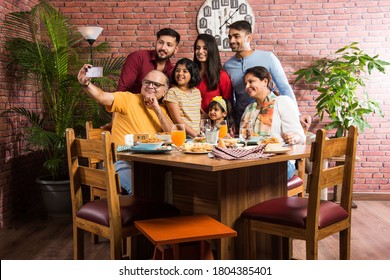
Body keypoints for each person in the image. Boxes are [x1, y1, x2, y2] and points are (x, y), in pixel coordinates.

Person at [78, 65, 173, 195]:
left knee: (172, 185)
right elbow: (101, 96)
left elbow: (173, 135)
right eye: (147, 82)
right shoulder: (127, 99)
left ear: (165, 91)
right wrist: (86, 84)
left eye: (156, 84)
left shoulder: (162, 110)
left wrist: (156, 109)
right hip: (120, 162)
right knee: (142, 188)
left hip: (149, 165)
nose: (150, 86)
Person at [223, 20, 311, 130]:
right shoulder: (228, 66)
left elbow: (283, 87)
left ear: (249, 38)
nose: (232, 40)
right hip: (243, 121)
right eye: (230, 37)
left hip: (269, 120)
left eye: (236, 36)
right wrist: (231, 122)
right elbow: (232, 97)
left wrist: (297, 115)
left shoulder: (268, 58)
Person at [101, 28, 180, 131]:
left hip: (154, 119)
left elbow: (171, 99)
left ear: (176, 49)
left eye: (169, 45)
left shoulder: (173, 71)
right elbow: (121, 90)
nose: (163, 47)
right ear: (156, 42)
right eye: (161, 43)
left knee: (163, 144)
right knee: (124, 146)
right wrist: (114, 123)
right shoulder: (138, 57)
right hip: (130, 115)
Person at [241, 66, 305, 180]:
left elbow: (300, 136)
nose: (247, 87)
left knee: (251, 178)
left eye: (251, 81)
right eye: (245, 83)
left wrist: (293, 138)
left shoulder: (282, 102)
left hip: (281, 162)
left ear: (265, 81)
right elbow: (244, 139)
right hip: (252, 161)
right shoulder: (249, 109)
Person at [193, 33, 233, 117]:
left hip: (212, 125)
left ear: (212, 50)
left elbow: (228, 105)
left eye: (205, 48)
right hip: (190, 123)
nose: (200, 51)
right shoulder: (191, 73)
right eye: (197, 48)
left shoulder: (222, 76)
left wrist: (208, 116)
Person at [163, 58, 202, 138]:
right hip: (183, 136)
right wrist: (197, 136)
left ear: (192, 74)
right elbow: (177, 120)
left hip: (198, 135)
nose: (180, 73)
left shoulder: (196, 92)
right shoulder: (172, 92)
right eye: (177, 70)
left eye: (185, 71)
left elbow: (197, 114)